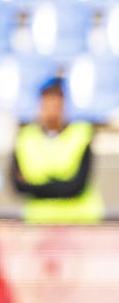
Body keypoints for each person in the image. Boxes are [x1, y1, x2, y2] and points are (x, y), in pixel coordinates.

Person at [10, 78, 105, 223]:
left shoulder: (81, 135)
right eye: (47, 104)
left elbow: (77, 185)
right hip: (39, 223)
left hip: (79, 222)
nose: (52, 110)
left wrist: (36, 186)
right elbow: (18, 185)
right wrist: (60, 183)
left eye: (56, 104)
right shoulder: (25, 138)